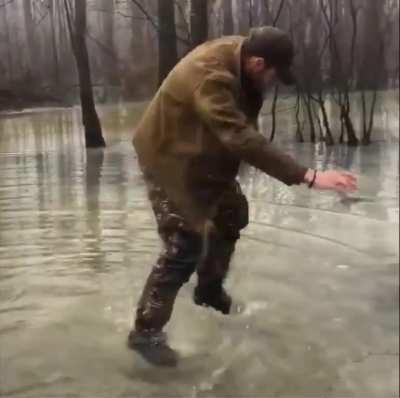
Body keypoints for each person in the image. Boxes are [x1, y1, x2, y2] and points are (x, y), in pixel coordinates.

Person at [129, 26, 357, 366]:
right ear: (257, 62)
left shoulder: (244, 59)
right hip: (166, 155)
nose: (273, 82)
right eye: (273, 75)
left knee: (232, 212)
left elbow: (238, 132)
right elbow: (237, 135)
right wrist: (309, 177)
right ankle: (145, 334)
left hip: (200, 150)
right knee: (184, 245)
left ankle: (208, 292)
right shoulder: (210, 76)